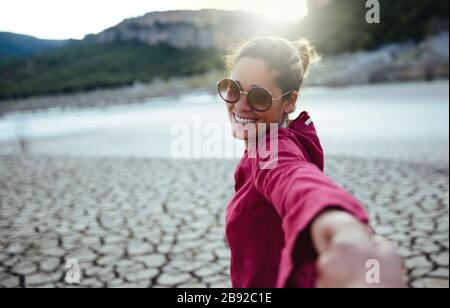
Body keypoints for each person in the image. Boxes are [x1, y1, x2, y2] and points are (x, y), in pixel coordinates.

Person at [217, 36, 406, 288]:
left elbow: (293, 177)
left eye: (259, 97)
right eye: (233, 89)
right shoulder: (269, 141)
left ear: (290, 102)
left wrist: (339, 223)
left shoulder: (272, 150)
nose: (239, 105)